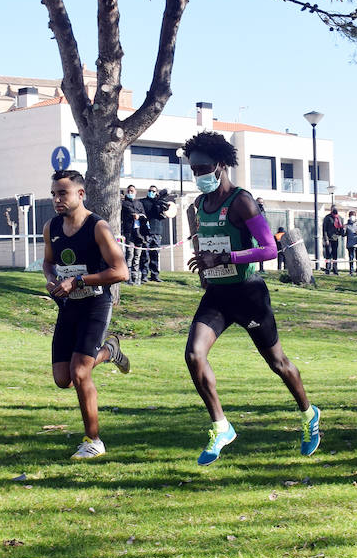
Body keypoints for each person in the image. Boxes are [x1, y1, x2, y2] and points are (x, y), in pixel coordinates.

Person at [183, 131, 320, 464]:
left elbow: (270, 249)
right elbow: (202, 242)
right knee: (193, 354)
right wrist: (203, 264)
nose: (198, 175)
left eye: (202, 168)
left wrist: (225, 259)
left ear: (220, 165)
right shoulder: (197, 206)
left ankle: (308, 414)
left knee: (278, 364)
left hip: (248, 294)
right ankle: (221, 425)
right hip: (217, 295)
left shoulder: (241, 201)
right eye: (193, 170)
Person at [42, 169, 131, 459]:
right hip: (68, 305)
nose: (57, 199)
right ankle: (109, 350)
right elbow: (48, 262)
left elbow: (121, 272)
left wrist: (79, 281)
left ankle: (93, 441)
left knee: (80, 372)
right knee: (63, 379)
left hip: (95, 303)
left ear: (80, 194)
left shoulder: (98, 227)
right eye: (54, 193)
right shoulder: (51, 227)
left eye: (63, 193)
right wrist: (52, 280)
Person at [120, 184, 149, 285]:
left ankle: (135, 277)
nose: (130, 193)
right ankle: (128, 278)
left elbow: (144, 216)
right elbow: (125, 214)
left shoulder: (139, 203)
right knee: (130, 255)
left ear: (135, 192)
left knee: (137, 256)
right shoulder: (124, 204)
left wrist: (139, 216)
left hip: (139, 234)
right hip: (129, 233)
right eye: (129, 191)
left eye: (132, 191)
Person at [142, 185, 169, 281]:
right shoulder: (143, 202)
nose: (151, 192)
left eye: (154, 191)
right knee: (145, 254)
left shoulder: (160, 203)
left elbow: (164, 214)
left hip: (157, 232)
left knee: (155, 255)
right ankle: (144, 275)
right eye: (150, 190)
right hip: (146, 232)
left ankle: (154, 275)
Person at [321, 206, 344, 274]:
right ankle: (327, 269)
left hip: (336, 238)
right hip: (329, 238)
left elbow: (341, 229)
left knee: (335, 254)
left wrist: (342, 230)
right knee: (328, 254)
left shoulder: (339, 218)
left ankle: (335, 269)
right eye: (333, 209)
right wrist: (326, 239)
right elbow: (324, 229)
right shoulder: (328, 217)